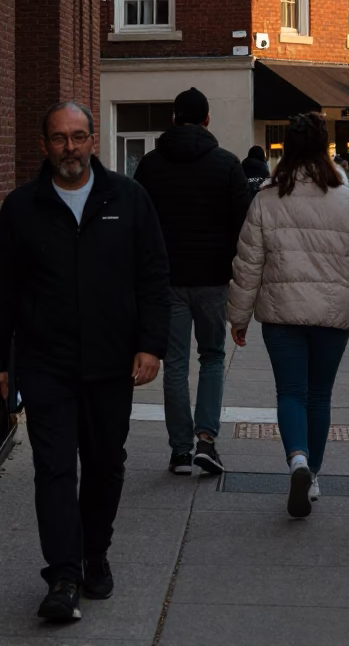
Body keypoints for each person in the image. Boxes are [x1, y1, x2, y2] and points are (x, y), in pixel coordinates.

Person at [0, 101, 169, 624]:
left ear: (94, 140)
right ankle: (64, 575)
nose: (69, 147)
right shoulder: (22, 207)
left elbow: (153, 275)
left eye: (78, 136)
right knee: (53, 469)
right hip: (45, 362)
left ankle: (96, 552)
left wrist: (151, 344)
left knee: (104, 465)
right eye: (58, 138)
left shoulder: (129, 197)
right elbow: (4, 290)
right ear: (44, 145)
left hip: (111, 362)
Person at [228, 112, 349, 518]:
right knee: (320, 395)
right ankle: (312, 473)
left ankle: (295, 457)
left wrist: (239, 317)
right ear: (325, 147)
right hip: (331, 315)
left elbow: (248, 263)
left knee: (290, 393)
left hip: (281, 316)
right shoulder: (347, 199)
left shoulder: (266, 199)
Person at [134, 87, 249, 477]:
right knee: (213, 358)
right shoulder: (226, 163)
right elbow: (241, 226)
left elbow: (139, 227)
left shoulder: (150, 165)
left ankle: (180, 451)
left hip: (167, 280)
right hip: (213, 279)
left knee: (176, 364)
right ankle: (206, 441)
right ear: (207, 120)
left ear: (173, 119)